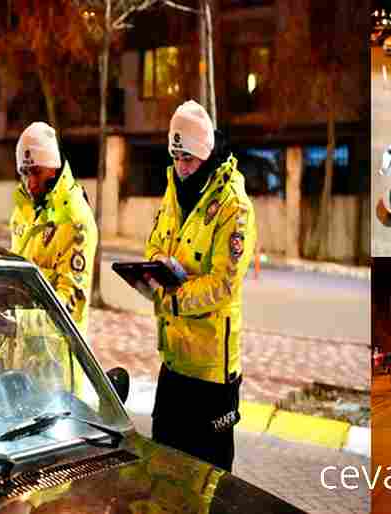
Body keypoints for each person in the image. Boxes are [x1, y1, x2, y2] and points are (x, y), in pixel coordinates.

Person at [142, 100, 257, 472]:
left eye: (188, 159)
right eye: (176, 158)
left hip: (211, 375)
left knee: (209, 480)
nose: (182, 168)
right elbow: (156, 242)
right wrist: (152, 268)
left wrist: (172, 299)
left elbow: (223, 284)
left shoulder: (233, 206)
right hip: (173, 361)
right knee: (163, 471)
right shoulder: (174, 190)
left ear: (206, 155)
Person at [0, 122, 98, 395]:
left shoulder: (76, 221)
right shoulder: (23, 212)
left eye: (36, 172)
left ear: (54, 167)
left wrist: (21, 325)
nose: (30, 182)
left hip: (58, 376)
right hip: (21, 369)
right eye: (24, 172)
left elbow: (70, 306)